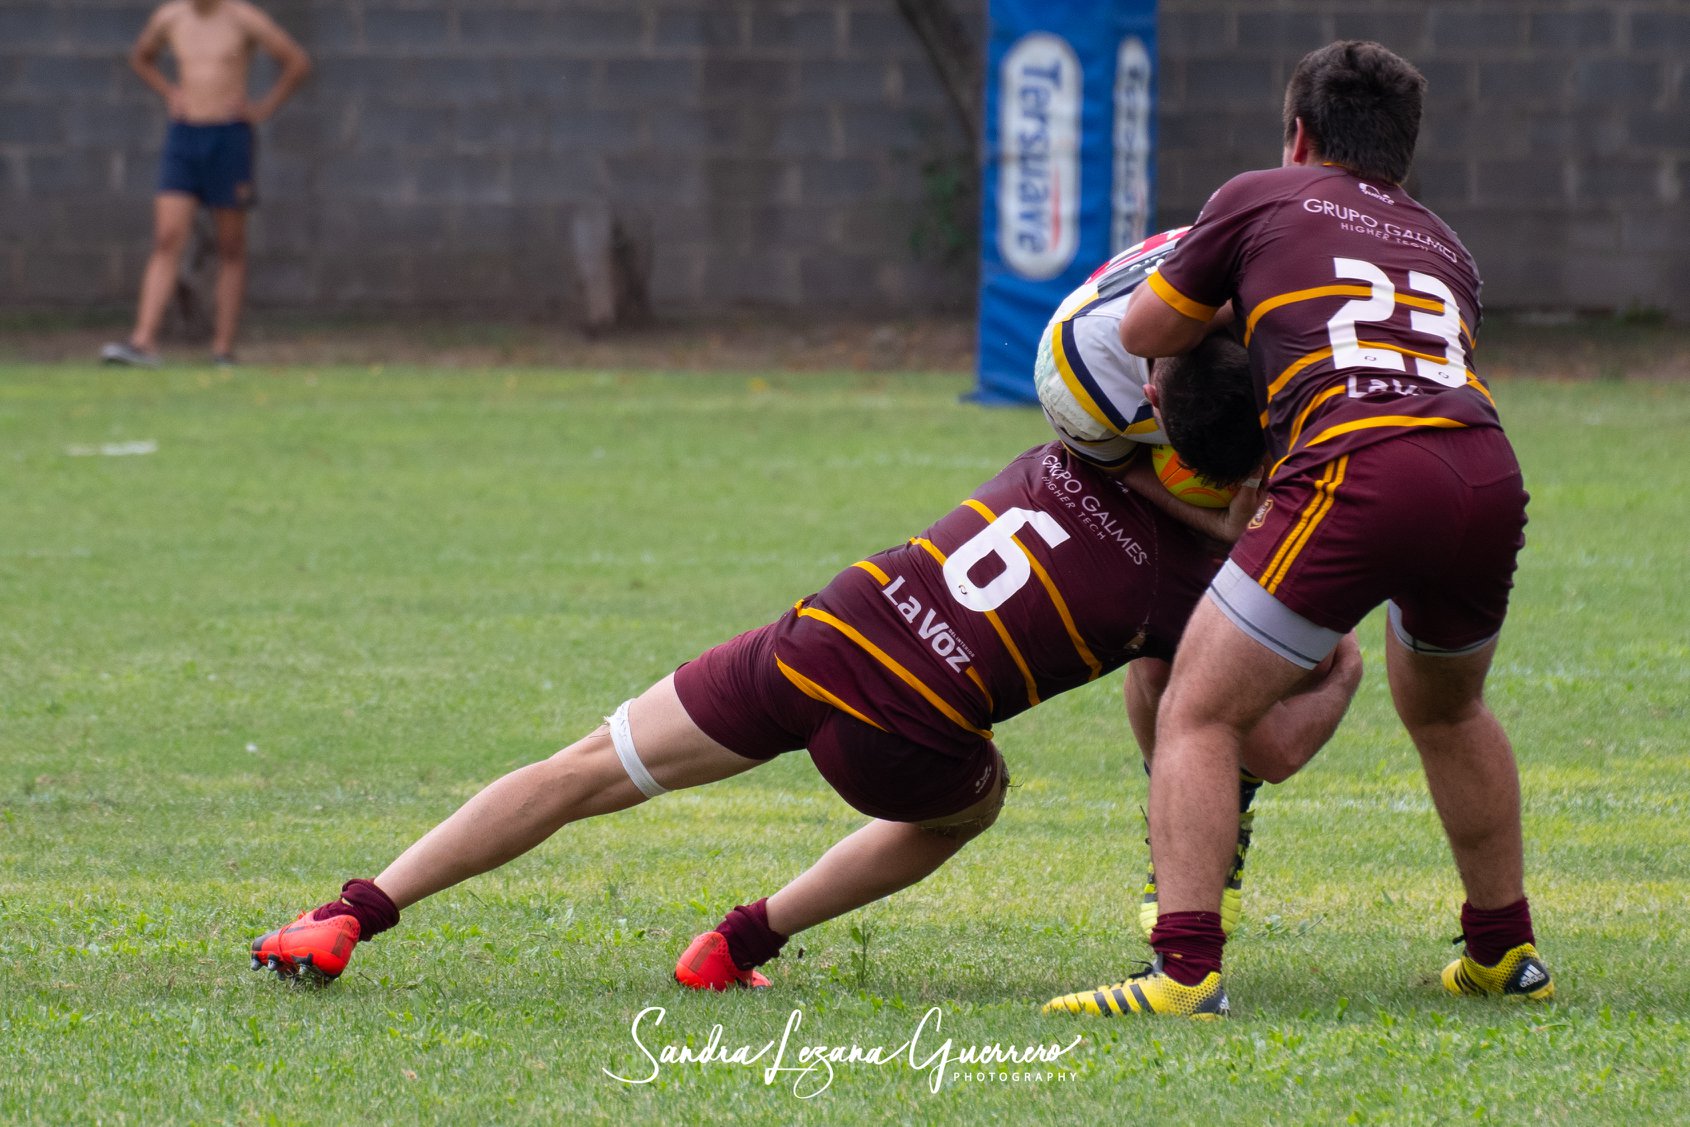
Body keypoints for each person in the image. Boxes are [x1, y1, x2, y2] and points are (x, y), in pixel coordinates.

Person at [249, 357, 1361, 993]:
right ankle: (739, 941)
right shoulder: (1207, 583)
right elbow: (1262, 746)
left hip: (831, 630)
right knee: (974, 805)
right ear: (1258, 464)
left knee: (585, 766)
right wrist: (1342, 662)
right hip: (911, 728)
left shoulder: (1071, 444)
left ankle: (346, 912)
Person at [1043, 40, 1551, 1020]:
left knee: (1196, 708)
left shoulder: (1259, 194)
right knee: (1447, 708)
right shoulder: (1450, 248)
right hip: (1486, 469)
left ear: (1298, 134)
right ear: (1402, 153)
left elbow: (1146, 332)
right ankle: (1503, 948)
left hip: (1360, 466)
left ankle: (1184, 968)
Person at [1035, 225, 1286, 940]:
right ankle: (1185, 824)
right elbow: (1121, 469)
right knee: (1159, 648)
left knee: (1306, 656)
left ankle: (1223, 789)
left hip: (1271, 427)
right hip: (1156, 454)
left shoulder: (1289, 324)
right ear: (1150, 395)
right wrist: (1212, 528)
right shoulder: (1078, 376)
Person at [101, 0, 311, 369]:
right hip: (184, 136)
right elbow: (141, 57)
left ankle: (222, 348)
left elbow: (296, 62)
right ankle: (143, 340)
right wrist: (170, 93)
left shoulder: (244, 18)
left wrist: (262, 109)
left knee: (230, 244)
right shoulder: (170, 17)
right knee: (167, 235)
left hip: (229, 136)